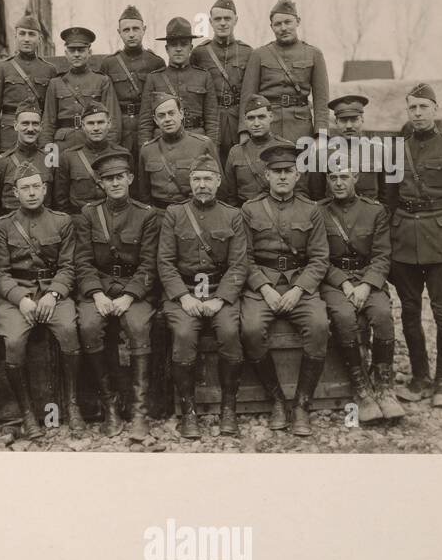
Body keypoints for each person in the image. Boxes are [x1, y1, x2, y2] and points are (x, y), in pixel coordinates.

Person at [385, 82, 442, 407]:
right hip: (404, 242)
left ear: (436, 110)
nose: (418, 113)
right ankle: (419, 378)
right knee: (409, 312)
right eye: (413, 108)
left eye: (424, 107)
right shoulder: (397, 150)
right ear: (408, 111)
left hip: (441, 241)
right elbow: (389, 199)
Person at [240, 140, 331, 436]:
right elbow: (244, 257)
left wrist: (299, 290)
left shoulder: (312, 210)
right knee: (251, 329)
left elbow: (319, 258)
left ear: (298, 174)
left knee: (318, 325)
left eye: (287, 170)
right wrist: (264, 288)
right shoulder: (250, 210)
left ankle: (302, 404)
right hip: (262, 283)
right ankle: (277, 399)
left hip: (299, 283)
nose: (281, 176)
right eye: (276, 171)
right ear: (266, 175)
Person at [156, 155, 250, 438]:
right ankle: (189, 412)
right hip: (183, 295)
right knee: (183, 335)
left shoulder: (233, 215)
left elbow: (239, 264)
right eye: (196, 179)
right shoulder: (174, 213)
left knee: (231, 332)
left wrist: (220, 299)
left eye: (208, 179)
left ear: (219, 181)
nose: (202, 185)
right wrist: (184, 297)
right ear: (190, 183)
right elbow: (165, 262)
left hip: (219, 292)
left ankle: (229, 409)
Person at [75, 147, 161, 438]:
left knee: (138, 326)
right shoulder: (88, 215)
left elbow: (150, 263)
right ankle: (110, 404)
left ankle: (139, 411)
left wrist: (129, 296)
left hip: (133, 291)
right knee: (88, 326)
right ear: (100, 183)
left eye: (119, 177)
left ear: (131, 178)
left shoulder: (147, 216)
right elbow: (83, 261)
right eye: (108, 179)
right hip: (98, 289)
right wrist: (97, 294)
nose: (114, 183)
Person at [0, 165, 81, 439]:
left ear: (44, 189)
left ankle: (72, 403)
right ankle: (27, 412)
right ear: (15, 193)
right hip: (17, 294)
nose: (31, 193)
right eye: (25, 188)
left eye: (36, 187)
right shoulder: (3, 225)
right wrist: (20, 300)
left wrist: (54, 294)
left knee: (69, 330)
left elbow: (69, 267)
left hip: (54, 293)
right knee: (14, 341)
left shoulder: (62, 221)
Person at [318, 155, 405, 423]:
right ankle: (362, 389)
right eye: (333, 178)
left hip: (368, 277)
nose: (338, 183)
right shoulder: (319, 212)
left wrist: (367, 285)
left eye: (344, 176)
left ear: (355, 177)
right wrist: (343, 283)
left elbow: (381, 256)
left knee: (381, 315)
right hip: (335, 281)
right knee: (343, 317)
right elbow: (319, 256)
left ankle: (385, 387)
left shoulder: (375, 211)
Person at [238, 0, 330, 198]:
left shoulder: (314, 54)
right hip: (267, 126)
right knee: (268, 174)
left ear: (298, 21)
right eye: (277, 24)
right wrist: (244, 132)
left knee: (303, 177)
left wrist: (320, 134)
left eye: (288, 22)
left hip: (300, 126)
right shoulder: (260, 55)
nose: (283, 28)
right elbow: (248, 96)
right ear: (271, 27)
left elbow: (322, 99)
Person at [0, 12, 56, 161]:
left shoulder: (49, 70)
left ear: (39, 39)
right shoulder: (1, 68)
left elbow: (50, 111)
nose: (26, 39)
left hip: (38, 136)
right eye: (22, 34)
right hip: (9, 138)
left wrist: (49, 145)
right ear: (15, 37)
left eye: (32, 34)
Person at [139, 16, 218, 150]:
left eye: (183, 44)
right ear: (166, 49)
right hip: (162, 144)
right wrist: (145, 150)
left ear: (191, 48)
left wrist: (212, 148)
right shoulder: (154, 78)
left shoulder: (203, 76)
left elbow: (212, 120)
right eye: (174, 45)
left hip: (196, 141)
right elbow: (146, 122)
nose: (178, 49)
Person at [192, 0, 252, 166]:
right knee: (210, 163)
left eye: (228, 18)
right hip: (211, 119)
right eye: (218, 19)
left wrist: (244, 128)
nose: (223, 23)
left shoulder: (247, 52)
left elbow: (250, 93)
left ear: (236, 20)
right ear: (210, 22)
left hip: (236, 118)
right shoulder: (200, 53)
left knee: (240, 164)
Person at [99, 5, 167, 157]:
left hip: (148, 125)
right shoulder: (109, 64)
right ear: (119, 33)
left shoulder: (155, 62)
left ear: (144, 29)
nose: (131, 34)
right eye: (126, 30)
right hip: (118, 127)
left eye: (135, 29)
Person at [136, 92, 220, 209]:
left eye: (171, 113)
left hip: (193, 212)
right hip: (159, 215)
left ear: (181, 114)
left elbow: (219, 188)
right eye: (161, 115)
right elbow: (144, 193)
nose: (167, 119)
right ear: (155, 120)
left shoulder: (203, 145)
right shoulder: (147, 150)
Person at [42, 26, 117, 150]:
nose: (76, 54)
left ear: (89, 53)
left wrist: (108, 150)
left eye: (81, 50)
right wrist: (48, 153)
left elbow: (111, 120)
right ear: (66, 54)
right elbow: (48, 124)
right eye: (72, 50)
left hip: (92, 143)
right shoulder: (55, 83)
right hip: (62, 145)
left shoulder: (102, 81)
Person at [0, 100, 56, 214]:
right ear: (15, 125)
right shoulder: (1, 162)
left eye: (35, 124)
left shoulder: (50, 159)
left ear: (41, 127)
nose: (31, 129)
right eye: (25, 123)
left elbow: (55, 204)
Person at [220, 94, 288, 206]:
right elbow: (230, 196)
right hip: (245, 213)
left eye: (261, 117)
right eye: (251, 118)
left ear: (271, 117)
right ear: (245, 121)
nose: (256, 123)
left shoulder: (285, 148)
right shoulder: (236, 152)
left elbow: (299, 191)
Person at [323, 93, 387, 203]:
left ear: (362, 119)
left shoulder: (378, 151)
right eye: (343, 120)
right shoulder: (325, 153)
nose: (348, 126)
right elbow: (318, 195)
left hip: (369, 215)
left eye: (353, 120)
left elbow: (387, 193)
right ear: (336, 122)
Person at [56, 99, 114, 216]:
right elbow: (61, 201)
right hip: (80, 222)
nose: (96, 128)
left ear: (109, 123)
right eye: (91, 123)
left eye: (101, 122)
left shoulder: (121, 154)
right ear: (83, 126)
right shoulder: (68, 157)